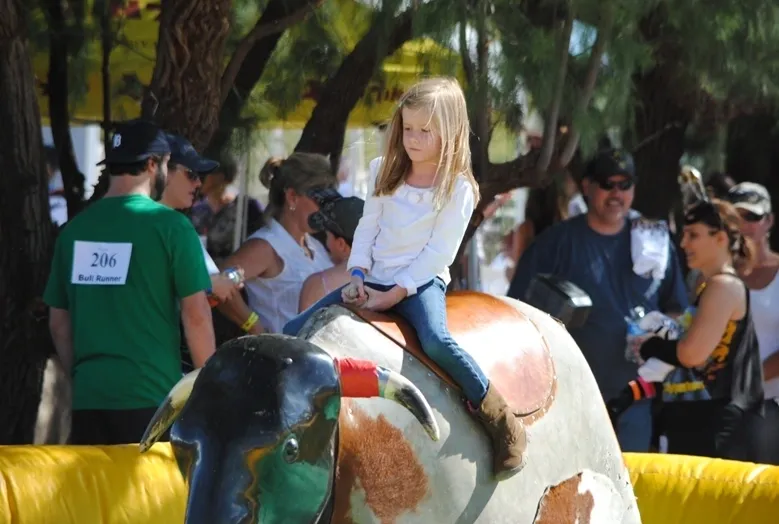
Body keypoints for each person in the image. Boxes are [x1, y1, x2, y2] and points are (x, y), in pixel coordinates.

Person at [283, 77, 526, 481]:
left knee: (436, 340)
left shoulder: (459, 188)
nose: (412, 139)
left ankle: (501, 422)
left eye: (424, 131)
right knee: (296, 329)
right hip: (373, 275)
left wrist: (395, 292)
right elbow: (367, 229)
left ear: (448, 133)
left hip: (420, 281)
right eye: (407, 128)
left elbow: (437, 255)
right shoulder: (384, 171)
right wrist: (358, 272)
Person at [42, 119, 216, 445]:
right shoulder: (172, 227)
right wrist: (212, 389)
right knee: (150, 497)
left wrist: (82, 376)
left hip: (88, 399)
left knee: (94, 496)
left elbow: (58, 324)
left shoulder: (75, 231)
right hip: (150, 400)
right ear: (153, 165)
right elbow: (196, 315)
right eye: (166, 164)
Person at [507, 148, 689, 452]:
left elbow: (677, 306)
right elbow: (516, 314)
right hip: (572, 396)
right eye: (607, 184)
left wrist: (661, 331)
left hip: (637, 397)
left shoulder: (654, 240)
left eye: (625, 184)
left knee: (633, 484)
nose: (616, 193)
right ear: (587, 187)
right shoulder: (555, 243)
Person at [637, 198, 778, 463]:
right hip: (698, 419)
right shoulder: (707, 284)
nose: (683, 244)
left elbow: (692, 355)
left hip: (717, 425)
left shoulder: (723, 286)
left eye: (693, 235)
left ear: (720, 238)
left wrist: (651, 346)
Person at [217, 152, 338, 334]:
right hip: (281, 358)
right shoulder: (265, 247)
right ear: (292, 197)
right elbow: (220, 283)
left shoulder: (315, 246)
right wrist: (254, 326)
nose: (325, 207)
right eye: (320, 198)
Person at [160, 133, 242, 304]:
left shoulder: (178, 223)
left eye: (200, 176)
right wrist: (213, 284)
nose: (198, 183)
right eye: (191, 174)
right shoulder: (176, 225)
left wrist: (215, 285)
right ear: (165, 171)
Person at [729, 182, 779, 403]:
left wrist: (747, 381)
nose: (742, 225)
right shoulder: (713, 275)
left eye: (751, 216)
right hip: (724, 407)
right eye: (734, 217)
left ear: (769, 221)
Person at [190, 155, 264, 267]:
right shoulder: (196, 209)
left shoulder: (247, 207)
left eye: (207, 172)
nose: (200, 177)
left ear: (220, 176)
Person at [299, 196, 365, 312]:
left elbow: (300, 330)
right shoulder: (392, 276)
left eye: (327, 236)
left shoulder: (317, 285)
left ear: (341, 244)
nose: (326, 243)